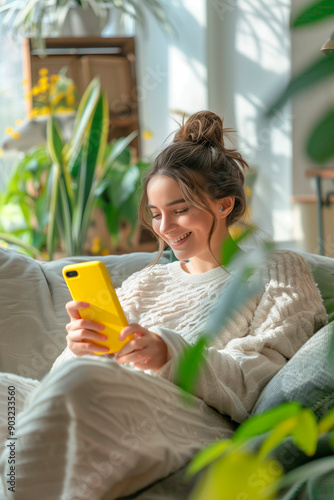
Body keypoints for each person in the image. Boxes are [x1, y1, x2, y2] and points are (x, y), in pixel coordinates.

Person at [0, 111, 327, 500]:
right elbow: (62, 381)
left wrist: (167, 352)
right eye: (156, 214)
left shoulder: (275, 269)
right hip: (104, 398)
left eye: (180, 209)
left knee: (85, 380)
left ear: (224, 205)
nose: (165, 227)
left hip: (194, 419)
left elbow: (261, 376)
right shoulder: (145, 281)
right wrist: (77, 347)